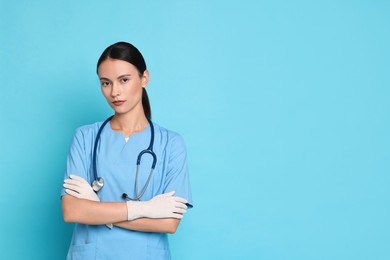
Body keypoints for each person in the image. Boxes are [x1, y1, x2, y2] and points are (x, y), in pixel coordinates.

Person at [61, 42, 193, 260]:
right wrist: (145, 209)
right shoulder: (84, 138)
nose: (115, 92)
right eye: (106, 83)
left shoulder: (171, 143)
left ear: (144, 78)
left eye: (124, 80)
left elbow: (169, 223)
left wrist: (97, 208)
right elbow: (72, 211)